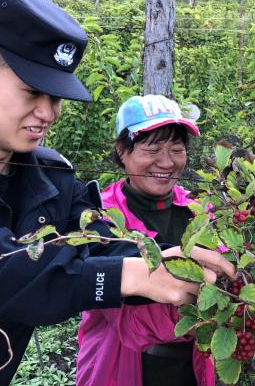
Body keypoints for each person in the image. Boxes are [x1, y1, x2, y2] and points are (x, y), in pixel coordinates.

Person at [0, 0, 234, 385]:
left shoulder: (50, 177)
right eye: (32, 92)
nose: (47, 113)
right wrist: (130, 276)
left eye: (56, 96)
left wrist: (170, 261)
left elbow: (100, 240)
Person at [77, 94, 214, 386]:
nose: (166, 162)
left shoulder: (200, 211)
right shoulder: (98, 217)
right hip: (117, 368)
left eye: (176, 149)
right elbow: (134, 326)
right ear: (122, 151)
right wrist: (214, 304)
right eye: (152, 148)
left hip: (191, 370)